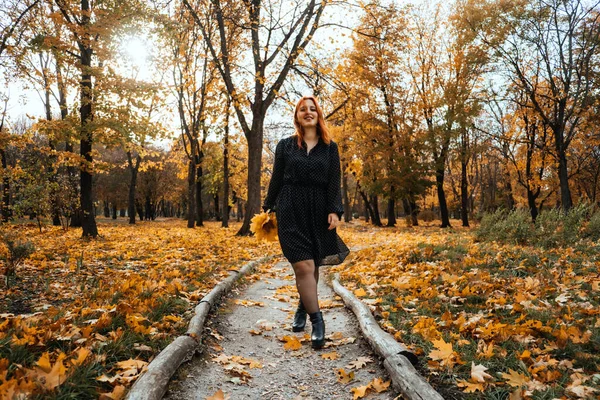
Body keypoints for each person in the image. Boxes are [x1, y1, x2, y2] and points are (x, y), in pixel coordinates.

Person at [262, 95, 350, 349]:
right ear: (297, 116)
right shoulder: (285, 146)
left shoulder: (330, 147)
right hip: (290, 207)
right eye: (303, 109)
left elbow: (335, 181)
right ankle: (317, 321)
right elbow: (276, 179)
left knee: (313, 265)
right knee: (303, 266)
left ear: (318, 115)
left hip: (319, 209)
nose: (308, 112)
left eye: (313, 109)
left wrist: (335, 210)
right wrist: (267, 207)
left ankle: (303, 305)